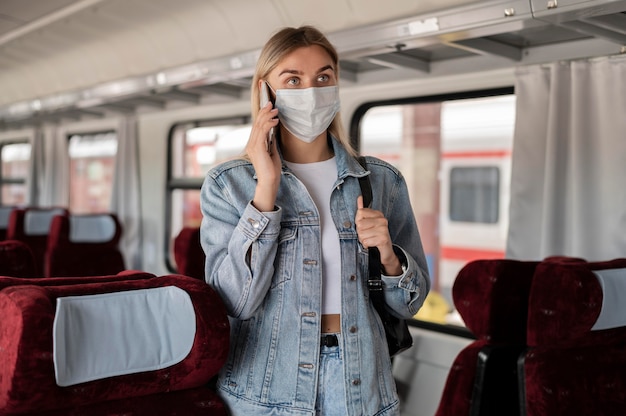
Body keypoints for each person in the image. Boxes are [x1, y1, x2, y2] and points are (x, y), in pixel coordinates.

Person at [200, 25, 430, 416]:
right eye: (293, 79)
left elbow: (412, 303)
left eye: (323, 77)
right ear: (264, 91)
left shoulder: (381, 181)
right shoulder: (229, 185)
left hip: (361, 384)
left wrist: (390, 257)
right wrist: (266, 189)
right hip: (266, 387)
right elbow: (235, 303)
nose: (311, 91)